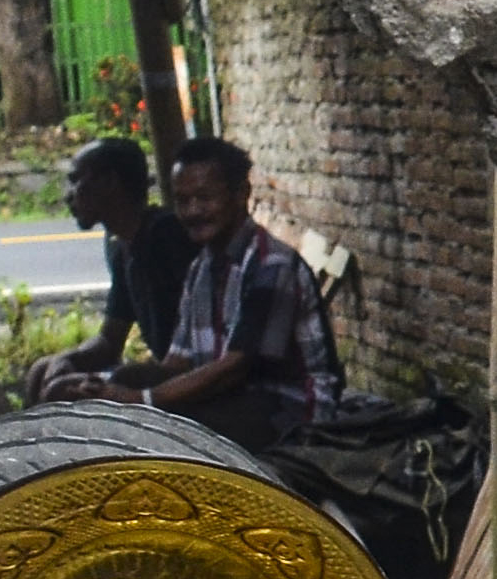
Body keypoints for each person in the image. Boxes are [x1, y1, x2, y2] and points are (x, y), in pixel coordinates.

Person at [111, 138, 345, 457]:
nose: (193, 211)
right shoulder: (201, 267)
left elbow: (236, 368)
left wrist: (144, 400)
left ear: (241, 195)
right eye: (182, 200)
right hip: (232, 399)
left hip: (288, 410)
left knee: (178, 428)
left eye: (205, 198)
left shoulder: (272, 265)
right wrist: (109, 386)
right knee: (126, 381)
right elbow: (177, 362)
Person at [25, 136, 195, 401]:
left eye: (76, 180)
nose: (69, 195)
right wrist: (68, 358)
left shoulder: (165, 235)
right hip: (164, 369)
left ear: (109, 183)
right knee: (43, 369)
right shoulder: (122, 247)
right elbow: (110, 341)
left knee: (62, 390)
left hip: (185, 373)